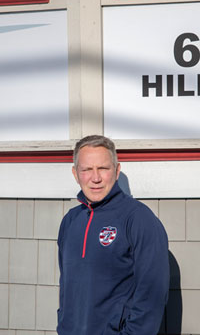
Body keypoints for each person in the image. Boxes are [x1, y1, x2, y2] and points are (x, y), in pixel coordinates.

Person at [57, 135, 170, 335]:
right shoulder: (70, 222)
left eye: (103, 168)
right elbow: (66, 286)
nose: (96, 178)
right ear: (76, 173)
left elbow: (152, 295)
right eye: (86, 169)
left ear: (116, 171)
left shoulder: (138, 219)